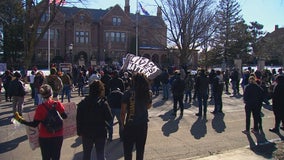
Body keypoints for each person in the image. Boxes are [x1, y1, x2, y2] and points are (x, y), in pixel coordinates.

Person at [14, 84, 68, 160]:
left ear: (42, 96)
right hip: (58, 135)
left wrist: (20, 120)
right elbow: (65, 116)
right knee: (56, 157)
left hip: (45, 137)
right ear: (51, 93)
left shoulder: (40, 108)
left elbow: (34, 124)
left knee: (46, 157)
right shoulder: (57, 104)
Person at [76, 80, 112, 160]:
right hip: (100, 131)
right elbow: (109, 117)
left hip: (87, 132)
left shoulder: (83, 103)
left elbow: (79, 118)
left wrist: (79, 131)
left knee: (86, 154)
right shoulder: (102, 103)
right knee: (100, 154)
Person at [121, 72, 152, 160]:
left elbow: (123, 112)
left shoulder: (127, 93)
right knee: (140, 151)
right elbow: (148, 107)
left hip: (130, 124)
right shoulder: (147, 92)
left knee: (128, 151)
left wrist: (122, 125)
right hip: (142, 124)